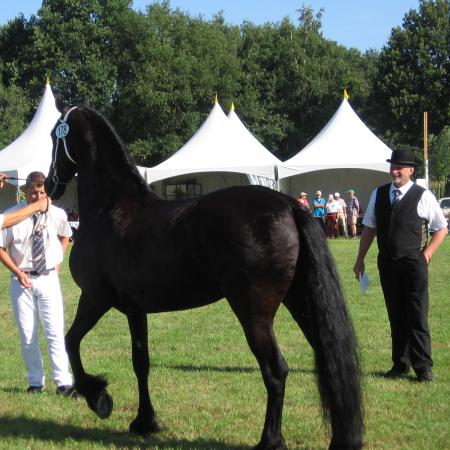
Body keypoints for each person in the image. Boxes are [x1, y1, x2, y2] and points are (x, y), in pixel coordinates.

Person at [353, 149, 448, 382]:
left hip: (413, 264)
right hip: (387, 263)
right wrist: (360, 259)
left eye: (400, 167)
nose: (395, 170)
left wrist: (427, 254)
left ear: (411, 170)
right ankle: (400, 364)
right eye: (393, 166)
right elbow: (370, 229)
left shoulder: (423, 195)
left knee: (416, 315)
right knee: (395, 315)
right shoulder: (380, 193)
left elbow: (441, 228)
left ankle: (423, 367)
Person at [0, 172, 73, 394]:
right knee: (27, 333)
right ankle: (35, 382)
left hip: (48, 277)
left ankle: (64, 382)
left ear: (47, 192)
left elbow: (65, 235)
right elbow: (1, 247)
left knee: (54, 332)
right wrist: (17, 271)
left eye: (42, 192)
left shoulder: (57, 213)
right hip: (21, 280)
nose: (37, 196)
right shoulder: (11, 215)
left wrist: (58, 262)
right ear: (24, 192)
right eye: (33, 192)